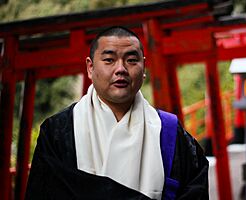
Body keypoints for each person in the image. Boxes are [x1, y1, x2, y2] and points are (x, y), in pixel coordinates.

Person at [25, 26, 209, 200]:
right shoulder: (57, 131)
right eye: (109, 60)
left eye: (131, 60)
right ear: (90, 67)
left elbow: (195, 189)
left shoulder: (168, 131)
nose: (120, 69)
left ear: (143, 67)